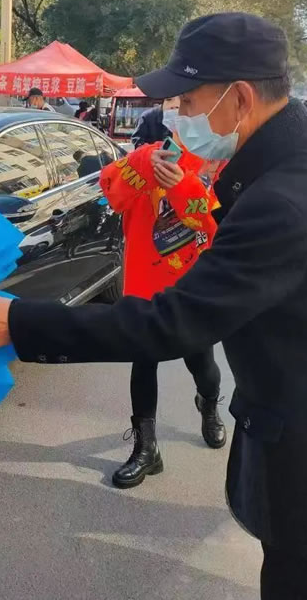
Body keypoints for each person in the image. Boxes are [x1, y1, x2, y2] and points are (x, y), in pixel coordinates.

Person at [0, 12, 307, 600]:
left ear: (240, 98)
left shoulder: (282, 199)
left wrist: (18, 322)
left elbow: (172, 324)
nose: (178, 115)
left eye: (188, 101)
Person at [100, 125, 225, 489]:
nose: (184, 114)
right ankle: (146, 449)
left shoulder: (217, 163)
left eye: (190, 103)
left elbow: (214, 226)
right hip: (144, 286)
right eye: (179, 103)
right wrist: (142, 163)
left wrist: (182, 185)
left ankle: (209, 403)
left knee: (203, 365)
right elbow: (112, 191)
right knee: (143, 364)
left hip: (190, 288)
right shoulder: (149, 156)